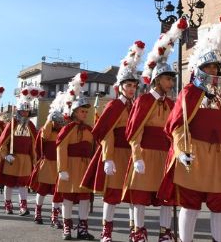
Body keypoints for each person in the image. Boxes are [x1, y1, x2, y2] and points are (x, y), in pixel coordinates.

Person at [160, 12, 221, 242]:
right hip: (195, 155)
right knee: (191, 204)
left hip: (219, 157)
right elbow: (177, 127)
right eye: (209, 67)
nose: (214, 71)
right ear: (200, 68)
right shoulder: (189, 93)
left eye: (216, 67)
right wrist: (182, 151)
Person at [124, 20, 185, 242]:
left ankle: (165, 232)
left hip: (166, 156)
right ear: (158, 80)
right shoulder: (144, 100)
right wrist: (137, 156)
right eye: (169, 78)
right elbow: (134, 131)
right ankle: (138, 230)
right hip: (146, 153)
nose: (171, 82)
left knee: (166, 196)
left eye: (172, 79)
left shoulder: (172, 103)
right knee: (140, 195)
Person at [81, 40, 145, 242]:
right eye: (128, 85)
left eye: (134, 85)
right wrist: (107, 158)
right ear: (121, 87)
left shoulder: (137, 106)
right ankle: (106, 232)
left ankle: (136, 231)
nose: (132, 88)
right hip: (116, 151)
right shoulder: (114, 105)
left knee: (134, 195)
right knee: (112, 195)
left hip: (133, 154)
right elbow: (105, 132)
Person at [56, 72, 95, 240]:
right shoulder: (67, 129)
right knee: (68, 199)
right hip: (70, 167)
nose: (85, 114)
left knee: (85, 199)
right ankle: (67, 228)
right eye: (82, 111)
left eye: (86, 112)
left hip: (85, 167)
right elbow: (61, 148)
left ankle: (83, 229)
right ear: (74, 112)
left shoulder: (89, 130)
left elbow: (94, 150)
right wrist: (62, 169)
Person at [0, 86, 39, 215]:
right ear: (18, 112)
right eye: (23, 112)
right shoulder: (12, 124)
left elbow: (34, 144)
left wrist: (34, 159)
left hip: (26, 159)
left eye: (27, 112)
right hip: (12, 158)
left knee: (23, 184)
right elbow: (2, 143)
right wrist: (5, 156)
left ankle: (23, 207)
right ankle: (8, 205)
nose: (25, 114)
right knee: (9, 184)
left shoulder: (31, 125)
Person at [30, 92, 65, 226]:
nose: (59, 124)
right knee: (42, 190)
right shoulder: (46, 131)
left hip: (58, 166)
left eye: (60, 123)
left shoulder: (62, 132)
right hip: (46, 164)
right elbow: (43, 138)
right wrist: (49, 121)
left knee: (57, 193)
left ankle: (54, 216)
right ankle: (37, 212)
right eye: (56, 122)